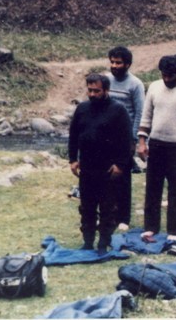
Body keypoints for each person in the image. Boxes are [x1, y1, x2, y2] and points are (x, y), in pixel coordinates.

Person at [137, 56, 176, 242]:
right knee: (153, 188)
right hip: (156, 144)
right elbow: (146, 115)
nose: (166, 79)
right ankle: (151, 227)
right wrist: (142, 142)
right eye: (164, 75)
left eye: (170, 76)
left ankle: (173, 230)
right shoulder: (154, 87)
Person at [68, 74, 133, 253]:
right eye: (90, 90)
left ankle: (104, 243)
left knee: (107, 209)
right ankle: (88, 242)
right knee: (87, 207)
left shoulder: (118, 110)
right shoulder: (82, 108)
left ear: (106, 90)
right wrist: (73, 159)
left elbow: (126, 141)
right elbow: (73, 135)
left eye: (96, 91)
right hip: (87, 166)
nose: (92, 94)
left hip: (108, 169)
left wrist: (120, 164)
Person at [106, 46, 145, 232]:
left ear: (128, 64)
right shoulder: (106, 80)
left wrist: (134, 138)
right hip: (105, 138)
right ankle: (108, 214)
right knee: (105, 177)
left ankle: (124, 217)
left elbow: (139, 112)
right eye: (112, 62)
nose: (114, 65)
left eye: (118, 62)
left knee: (123, 178)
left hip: (125, 138)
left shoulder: (135, 84)